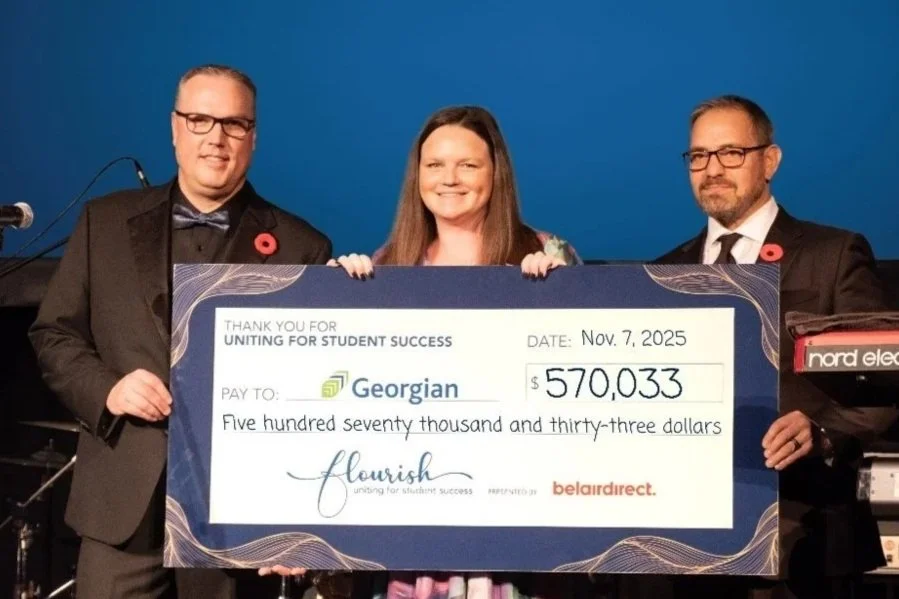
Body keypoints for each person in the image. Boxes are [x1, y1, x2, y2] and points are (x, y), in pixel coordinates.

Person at [261, 105, 593, 598]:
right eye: (434, 165)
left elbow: (591, 400)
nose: (449, 178)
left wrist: (556, 300)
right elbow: (341, 408)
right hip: (409, 546)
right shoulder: (385, 267)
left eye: (468, 165)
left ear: (496, 173)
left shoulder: (548, 256)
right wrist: (335, 303)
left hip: (519, 540)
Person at [29, 64, 332, 598]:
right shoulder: (104, 222)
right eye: (199, 120)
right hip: (120, 508)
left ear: (253, 137)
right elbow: (54, 335)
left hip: (238, 522)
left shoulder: (302, 247)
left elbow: (315, 393)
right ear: (174, 128)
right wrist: (109, 388)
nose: (216, 138)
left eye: (234, 124)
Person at [655, 94, 898, 598]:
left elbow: (881, 380)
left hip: (802, 545)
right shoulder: (664, 272)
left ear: (770, 160)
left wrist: (822, 430)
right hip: (689, 552)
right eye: (698, 156)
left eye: (730, 153)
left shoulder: (832, 255)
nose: (712, 169)